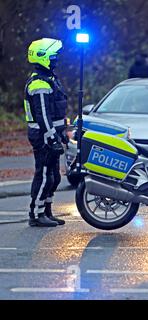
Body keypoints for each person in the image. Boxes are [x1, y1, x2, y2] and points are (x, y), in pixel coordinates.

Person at [24, 38, 68, 227]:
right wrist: (52, 138)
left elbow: (56, 112)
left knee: (55, 176)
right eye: (53, 56)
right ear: (42, 57)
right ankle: (36, 213)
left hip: (52, 134)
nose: (56, 59)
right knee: (43, 175)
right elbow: (43, 115)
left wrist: (62, 133)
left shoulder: (50, 80)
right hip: (43, 136)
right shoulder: (38, 84)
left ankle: (47, 211)